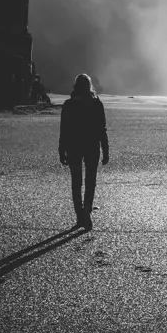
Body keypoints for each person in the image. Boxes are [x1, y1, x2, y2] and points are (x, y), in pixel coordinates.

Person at [59, 74, 109, 228]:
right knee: (90, 181)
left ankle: (79, 214)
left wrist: (62, 149)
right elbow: (102, 129)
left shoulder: (68, 105)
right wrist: (106, 150)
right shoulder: (96, 104)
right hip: (92, 146)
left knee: (76, 182)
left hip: (74, 146)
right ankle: (86, 211)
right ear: (89, 87)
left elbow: (64, 130)